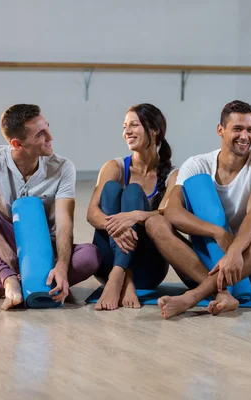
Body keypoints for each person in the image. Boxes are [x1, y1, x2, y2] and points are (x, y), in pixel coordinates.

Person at [0, 104, 100, 310]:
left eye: (47, 127)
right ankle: (8, 279)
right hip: (5, 252)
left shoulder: (63, 167)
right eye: (41, 134)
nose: (50, 137)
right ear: (17, 143)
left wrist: (62, 266)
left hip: (44, 250)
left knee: (90, 256)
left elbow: (65, 224)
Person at [144, 100, 251, 319]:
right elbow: (172, 212)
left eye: (250, 130)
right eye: (237, 129)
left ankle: (194, 297)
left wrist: (234, 251)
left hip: (242, 268)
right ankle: (222, 293)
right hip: (199, 265)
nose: (245, 136)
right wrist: (217, 232)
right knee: (154, 222)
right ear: (220, 130)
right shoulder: (197, 163)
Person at [87, 104, 178, 311]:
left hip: (148, 269)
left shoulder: (173, 174)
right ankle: (122, 275)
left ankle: (121, 275)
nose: (126, 131)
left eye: (134, 125)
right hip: (107, 266)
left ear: (154, 130)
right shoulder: (114, 166)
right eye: (124, 126)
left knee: (133, 192)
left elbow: (170, 215)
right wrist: (116, 226)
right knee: (111, 188)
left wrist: (136, 216)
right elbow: (92, 213)